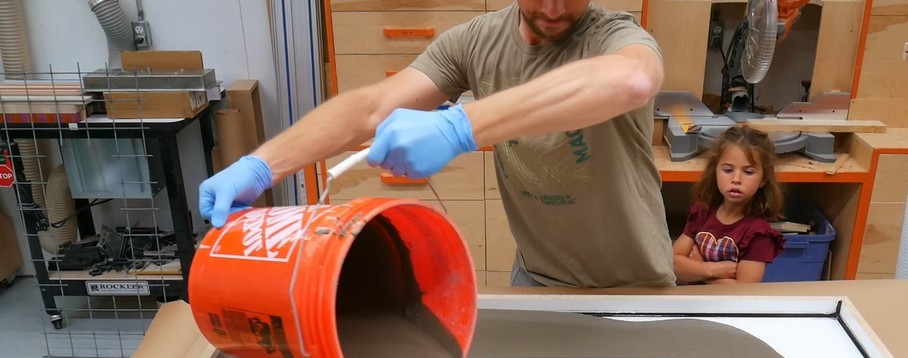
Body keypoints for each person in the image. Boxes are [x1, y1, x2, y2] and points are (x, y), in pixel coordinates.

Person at [198, 1, 676, 288]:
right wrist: (261, 166)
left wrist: (459, 127)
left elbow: (632, 78)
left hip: (634, 284)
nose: (552, 9)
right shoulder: (475, 41)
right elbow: (370, 108)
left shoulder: (616, 36)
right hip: (537, 278)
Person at [672, 125, 785, 284]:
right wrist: (713, 270)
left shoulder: (759, 234)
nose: (736, 179)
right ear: (715, 171)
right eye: (727, 170)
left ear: (763, 179)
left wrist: (697, 268)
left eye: (748, 172)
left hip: (725, 308)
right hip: (690, 303)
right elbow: (672, 264)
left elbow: (741, 293)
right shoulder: (702, 212)